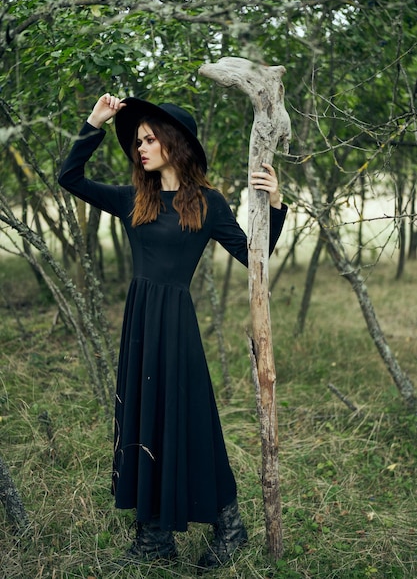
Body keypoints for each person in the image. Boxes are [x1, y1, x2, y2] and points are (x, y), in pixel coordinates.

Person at [58, 92, 287, 570]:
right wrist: (94, 123)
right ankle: (155, 536)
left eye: (149, 138)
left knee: (190, 422)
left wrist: (276, 205)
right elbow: (69, 177)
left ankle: (229, 524)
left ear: (173, 143)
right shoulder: (131, 200)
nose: (140, 147)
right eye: (138, 140)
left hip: (177, 329)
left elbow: (253, 259)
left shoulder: (207, 204)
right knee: (145, 423)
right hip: (140, 326)